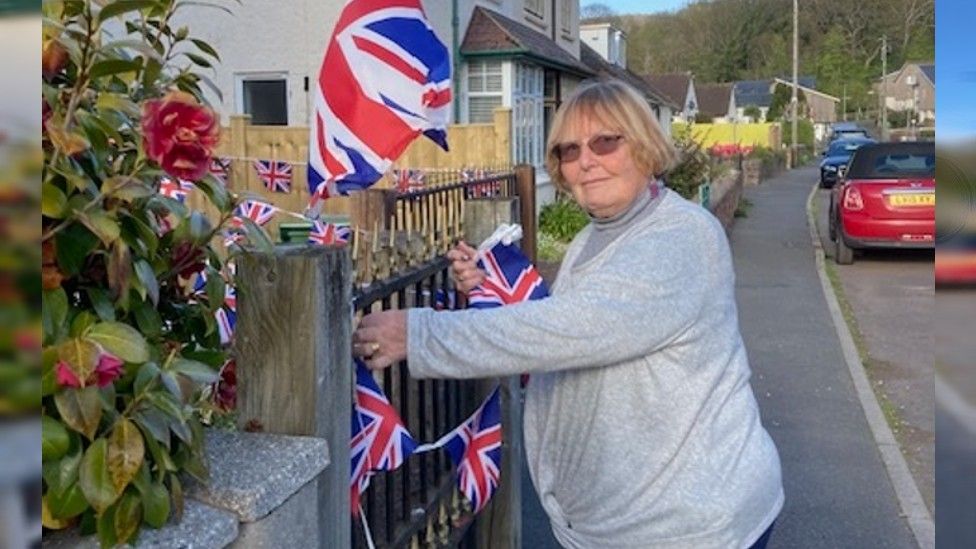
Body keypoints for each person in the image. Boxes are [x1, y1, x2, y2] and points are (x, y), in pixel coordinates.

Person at [353, 78, 783, 548]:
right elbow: (568, 323)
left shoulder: (682, 237)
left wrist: (419, 336)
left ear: (643, 144)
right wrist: (490, 293)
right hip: (611, 526)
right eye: (568, 150)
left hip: (686, 528)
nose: (586, 161)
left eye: (605, 142)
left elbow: (575, 328)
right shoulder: (595, 236)